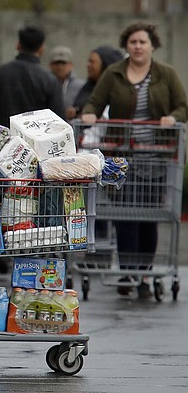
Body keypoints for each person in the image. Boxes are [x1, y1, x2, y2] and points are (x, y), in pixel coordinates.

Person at [81, 22, 188, 299]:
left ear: (153, 45)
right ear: (126, 46)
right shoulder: (113, 73)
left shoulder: (166, 74)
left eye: (142, 42)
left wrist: (172, 118)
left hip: (156, 158)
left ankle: (144, 271)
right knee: (125, 216)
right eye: (133, 42)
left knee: (148, 217)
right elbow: (95, 102)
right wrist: (90, 114)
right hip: (122, 158)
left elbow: (182, 106)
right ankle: (128, 270)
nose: (138, 46)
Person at [0, 26, 64, 127]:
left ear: (18, 45)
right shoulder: (49, 80)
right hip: (35, 140)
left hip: (2, 138)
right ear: (41, 49)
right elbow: (57, 121)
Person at [72, 45, 124, 118]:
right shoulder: (88, 87)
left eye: (92, 62)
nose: (88, 65)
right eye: (88, 61)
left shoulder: (116, 89)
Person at [49, 46, 86, 120]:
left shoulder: (81, 86)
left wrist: (77, 111)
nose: (60, 67)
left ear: (71, 65)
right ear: (50, 65)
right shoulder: (45, 84)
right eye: (57, 63)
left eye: (63, 63)